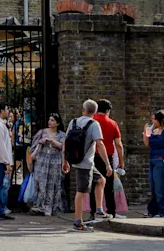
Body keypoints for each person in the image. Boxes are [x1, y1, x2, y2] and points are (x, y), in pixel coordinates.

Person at [62, 99, 113, 232]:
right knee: (81, 192)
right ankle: (78, 223)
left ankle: (99, 210)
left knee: (101, 180)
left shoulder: (74, 122)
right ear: (95, 112)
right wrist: (108, 164)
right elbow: (100, 144)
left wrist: (65, 161)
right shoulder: (94, 124)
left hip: (82, 162)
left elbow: (65, 143)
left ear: (83, 110)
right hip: (85, 164)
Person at [89, 99, 124, 217]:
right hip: (107, 157)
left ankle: (92, 212)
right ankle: (111, 211)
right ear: (108, 110)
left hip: (92, 156)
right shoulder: (112, 123)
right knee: (108, 186)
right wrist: (120, 161)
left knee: (93, 185)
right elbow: (118, 145)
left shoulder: (91, 121)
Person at [28, 113, 67, 216]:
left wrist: (52, 141)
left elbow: (64, 147)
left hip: (55, 162)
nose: (50, 122)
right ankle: (39, 206)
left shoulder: (62, 135)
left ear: (58, 123)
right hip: (42, 161)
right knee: (41, 182)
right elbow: (33, 146)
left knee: (53, 184)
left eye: (53, 120)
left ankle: (51, 207)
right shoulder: (42, 132)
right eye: (49, 120)